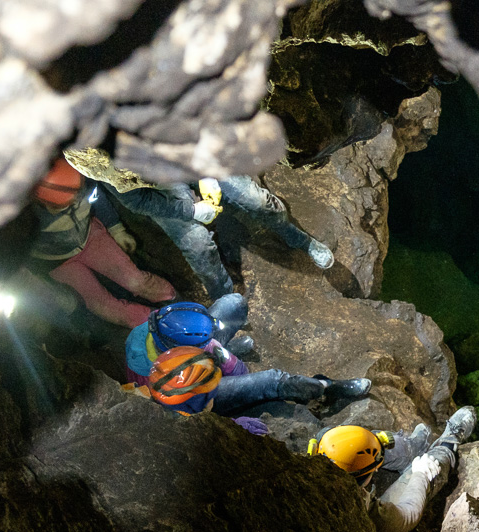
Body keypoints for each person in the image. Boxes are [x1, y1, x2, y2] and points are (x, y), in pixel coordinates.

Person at [114, 176, 334, 299]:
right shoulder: (96, 151)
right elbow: (137, 200)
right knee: (197, 245)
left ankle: (298, 239)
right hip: (157, 188)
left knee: (258, 201)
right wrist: (191, 210)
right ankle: (226, 301)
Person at [30, 157, 176, 328]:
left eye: (76, 196)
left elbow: (97, 198)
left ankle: (176, 302)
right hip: (57, 261)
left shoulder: (83, 178)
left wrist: (117, 229)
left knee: (135, 280)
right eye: (65, 204)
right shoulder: (25, 219)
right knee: (104, 306)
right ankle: (160, 326)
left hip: (90, 236)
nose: (75, 202)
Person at [309, 406, 477, 532]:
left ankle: (413, 448)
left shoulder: (310, 470)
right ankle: (447, 445)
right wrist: (421, 474)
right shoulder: (373, 515)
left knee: (355, 442)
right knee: (430, 465)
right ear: (371, 473)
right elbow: (409, 514)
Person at [138, 344, 372, 419]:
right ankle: (323, 388)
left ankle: (324, 387)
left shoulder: (166, 395)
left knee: (271, 384)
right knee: (273, 392)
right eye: (208, 391)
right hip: (207, 421)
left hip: (192, 409)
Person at [124, 297, 252, 386]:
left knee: (234, 302)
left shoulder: (158, 325)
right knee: (237, 376)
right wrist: (240, 372)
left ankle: (225, 350)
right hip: (191, 388)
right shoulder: (161, 381)